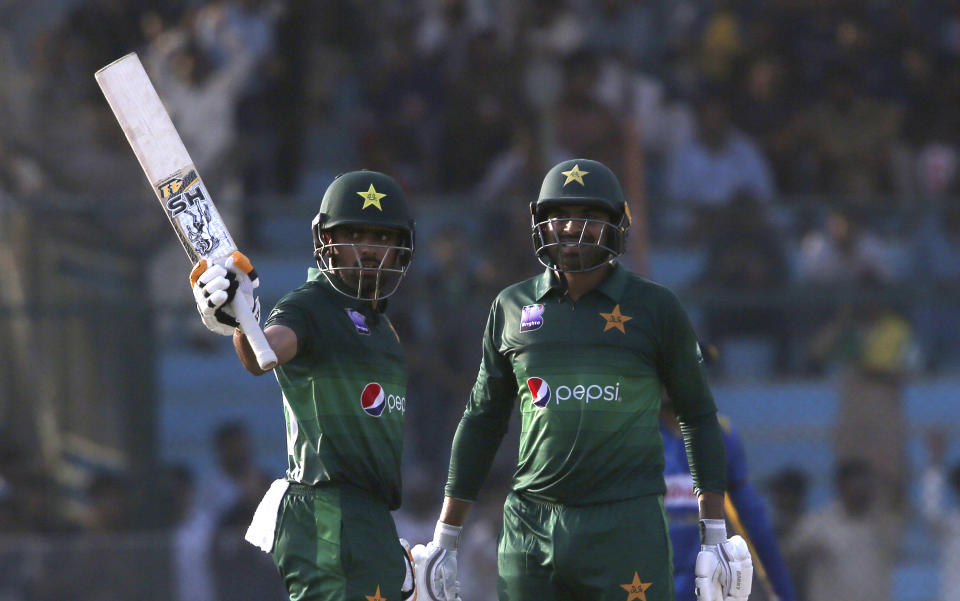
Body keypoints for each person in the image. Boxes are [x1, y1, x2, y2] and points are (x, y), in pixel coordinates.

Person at [412, 159, 752, 601]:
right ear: (540, 222)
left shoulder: (655, 308)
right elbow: (481, 422)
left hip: (626, 526)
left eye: (589, 217)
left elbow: (699, 417)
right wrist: (446, 536)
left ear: (617, 223)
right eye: (560, 215)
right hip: (530, 529)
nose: (571, 227)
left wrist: (713, 532)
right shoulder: (511, 306)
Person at [189, 170, 416, 601]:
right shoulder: (311, 306)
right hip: (327, 513)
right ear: (326, 242)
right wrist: (241, 322)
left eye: (381, 237)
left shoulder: (385, 328)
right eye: (354, 235)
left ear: (400, 247)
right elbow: (264, 354)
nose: (368, 248)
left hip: (371, 517)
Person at [661, 391, 796, 601]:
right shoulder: (633, 436)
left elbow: (753, 520)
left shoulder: (718, 434)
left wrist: (781, 592)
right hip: (646, 580)